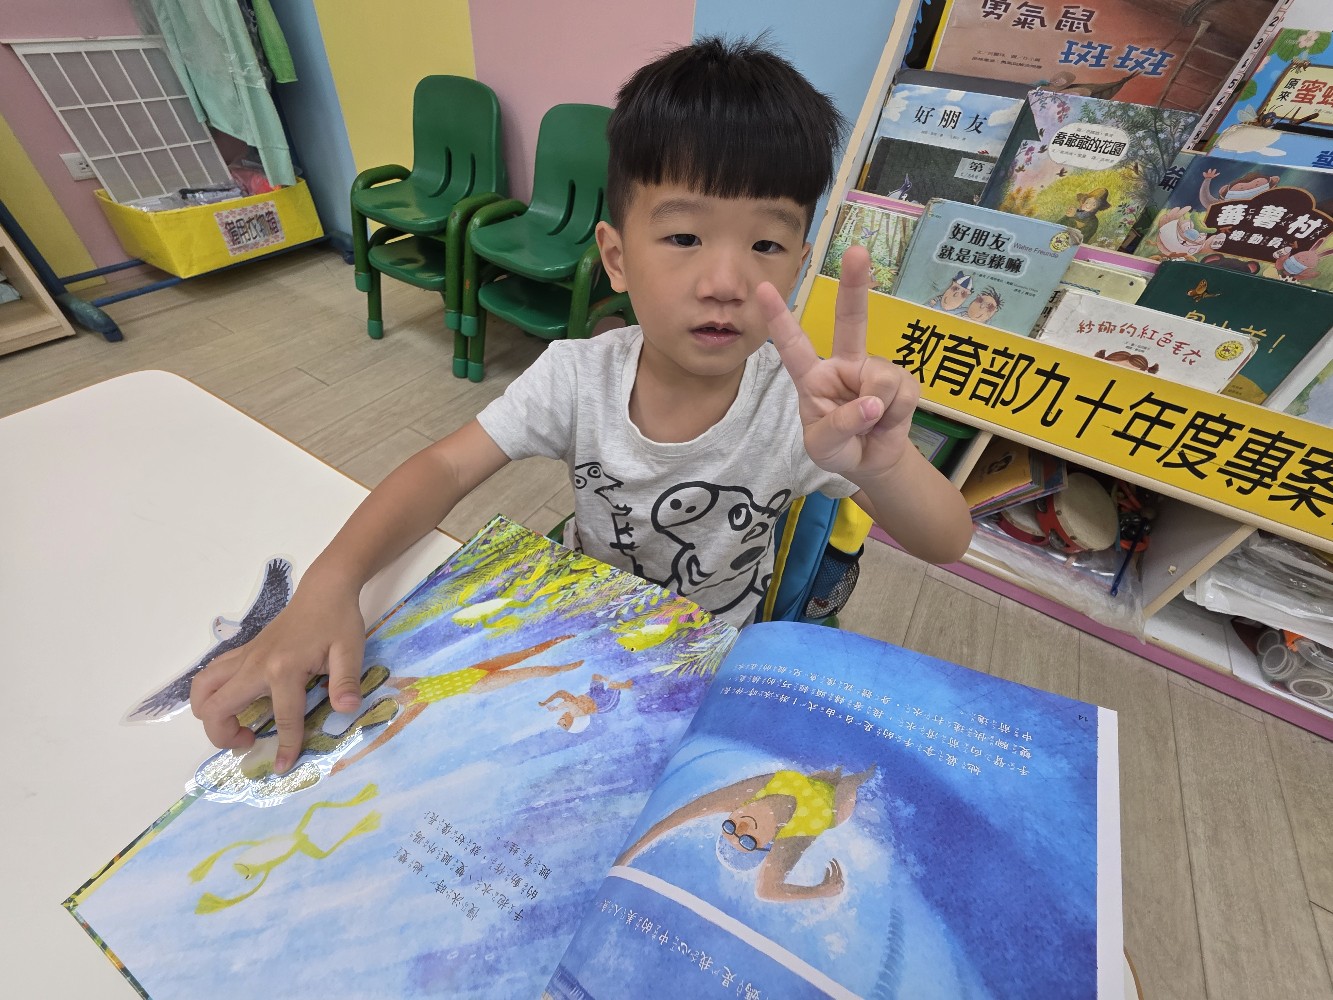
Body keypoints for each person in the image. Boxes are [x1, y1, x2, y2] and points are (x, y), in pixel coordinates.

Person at [190, 37, 973, 775]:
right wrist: (331, 582)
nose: (725, 282)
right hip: (580, 633)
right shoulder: (577, 375)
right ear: (616, 257)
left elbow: (946, 539)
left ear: (798, 266)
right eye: (684, 238)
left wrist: (884, 463)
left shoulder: (798, 411)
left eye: (765, 245)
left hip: (704, 660)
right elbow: (443, 467)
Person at [615, 765, 876, 902]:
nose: (740, 828)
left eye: (729, 828)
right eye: (747, 841)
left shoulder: (746, 795)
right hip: (835, 807)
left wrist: (624, 858)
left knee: (828, 773)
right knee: (851, 782)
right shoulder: (794, 836)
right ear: (768, 844)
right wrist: (821, 891)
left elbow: (674, 819)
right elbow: (766, 890)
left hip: (814, 781)